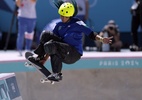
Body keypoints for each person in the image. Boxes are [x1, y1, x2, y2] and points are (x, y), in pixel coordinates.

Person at [28, 0, 112, 82]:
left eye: (65, 16)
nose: (63, 18)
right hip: (63, 48)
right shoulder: (59, 26)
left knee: (52, 45)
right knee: (46, 35)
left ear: (70, 15)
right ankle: (39, 57)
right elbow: (49, 43)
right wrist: (44, 59)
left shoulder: (78, 23)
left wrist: (101, 39)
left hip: (73, 53)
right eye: (61, 15)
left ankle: (57, 74)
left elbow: (91, 34)